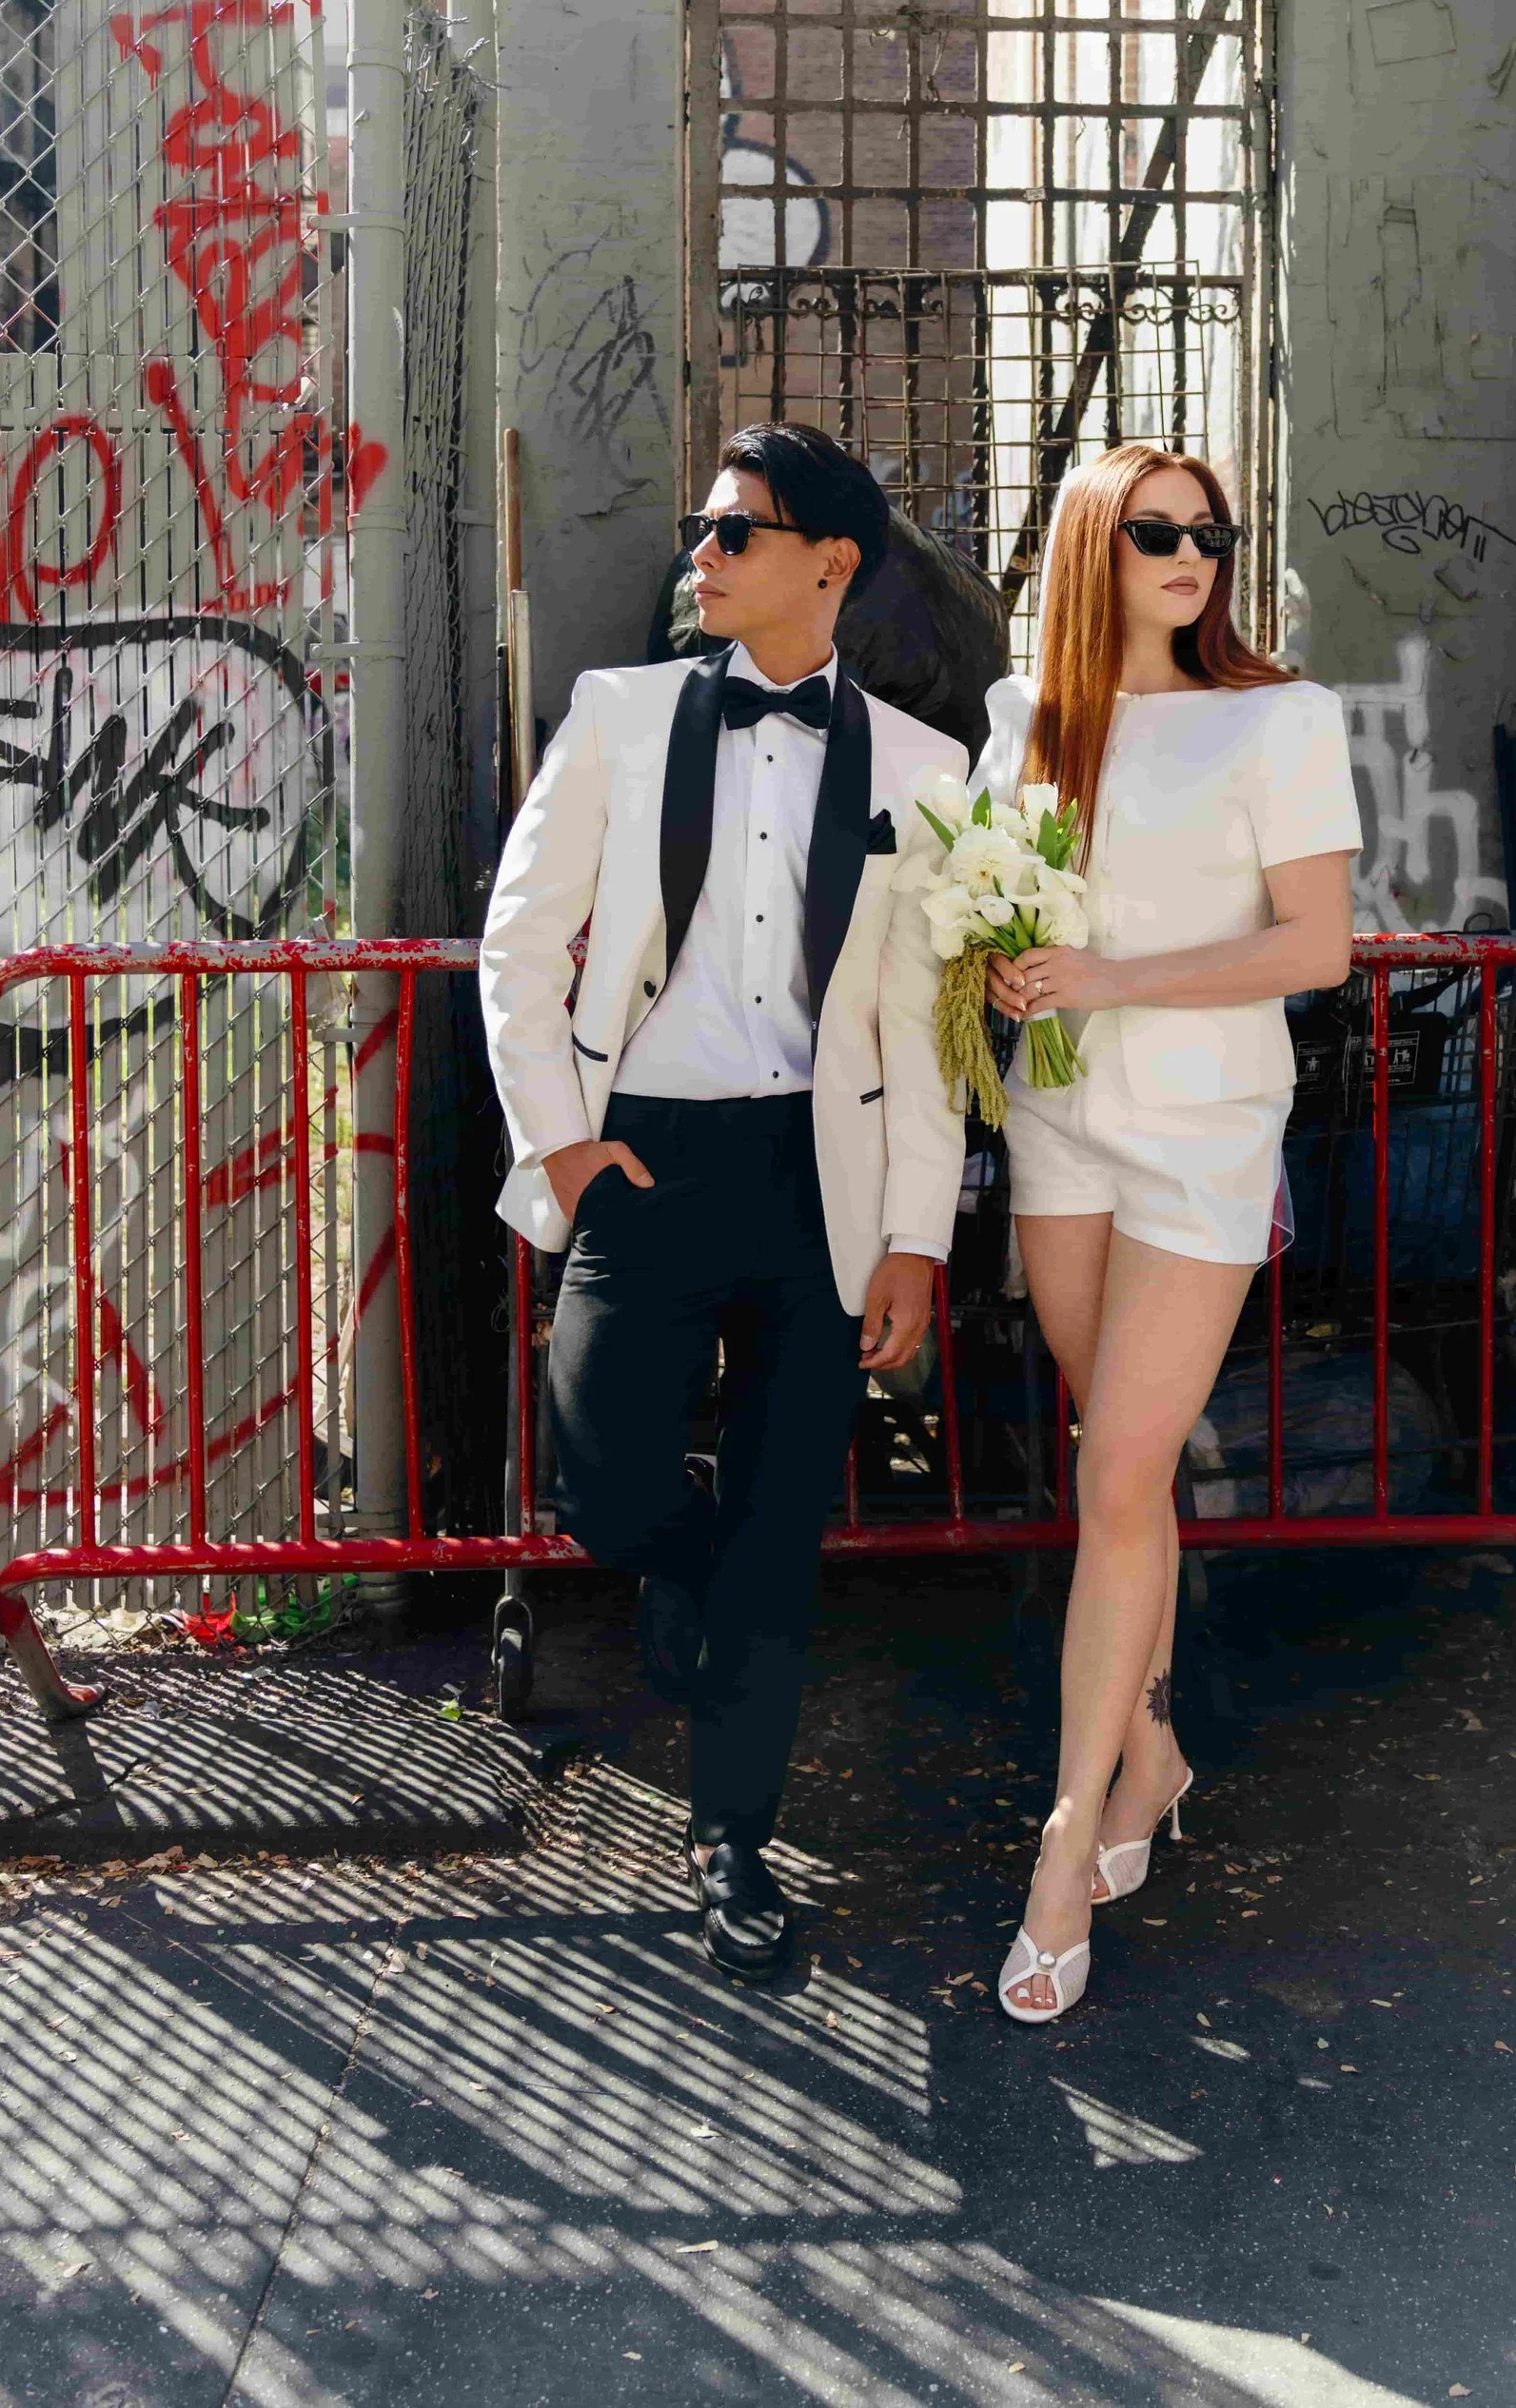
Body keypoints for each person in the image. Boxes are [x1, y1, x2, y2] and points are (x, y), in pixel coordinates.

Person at [479, 423, 966, 1987]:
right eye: (702, 527)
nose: (702, 554)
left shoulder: (924, 768)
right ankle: (673, 1563)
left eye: (735, 530)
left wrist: (918, 1235)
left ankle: (735, 1844)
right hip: (649, 1161)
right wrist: (561, 1145)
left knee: (780, 1532)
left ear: (831, 562)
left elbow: (919, 1032)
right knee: (604, 1483)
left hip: (822, 1184)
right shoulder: (618, 718)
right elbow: (519, 943)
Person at [972, 443, 1362, 2023]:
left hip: (1203, 1133)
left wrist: (1113, 981)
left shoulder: (1282, 717)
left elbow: (1318, 945)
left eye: (1210, 531)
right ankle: (1152, 1752)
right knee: (1115, 1472)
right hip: (1061, 1121)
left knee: (1120, 1475)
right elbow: (990, 906)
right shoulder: (1026, 718)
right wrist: (999, 964)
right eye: (1156, 532)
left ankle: (1067, 1843)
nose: (1192, 554)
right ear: (1095, 547)